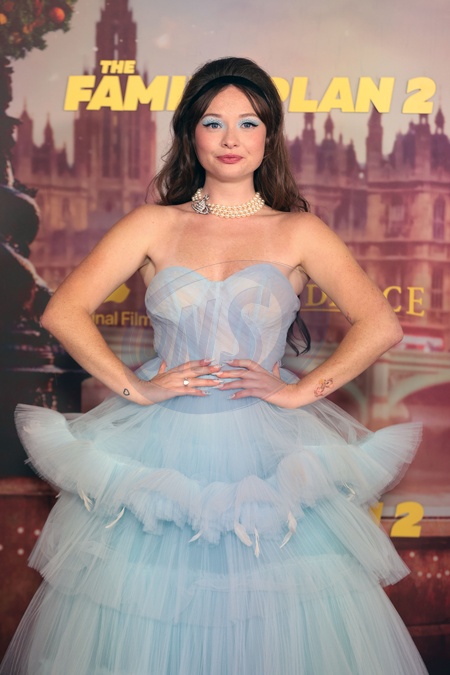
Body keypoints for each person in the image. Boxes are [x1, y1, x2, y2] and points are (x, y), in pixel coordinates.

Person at [1, 57, 428, 674]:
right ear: (190, 133)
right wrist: (136, 389)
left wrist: (300, 392)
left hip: (268, 453)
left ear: (268, 136)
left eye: (248, 123)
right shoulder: (154, 223)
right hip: (162, 447)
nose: (231, 138)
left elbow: (380, 325)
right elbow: (64, 311)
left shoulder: (299, 231)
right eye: (213, 122)